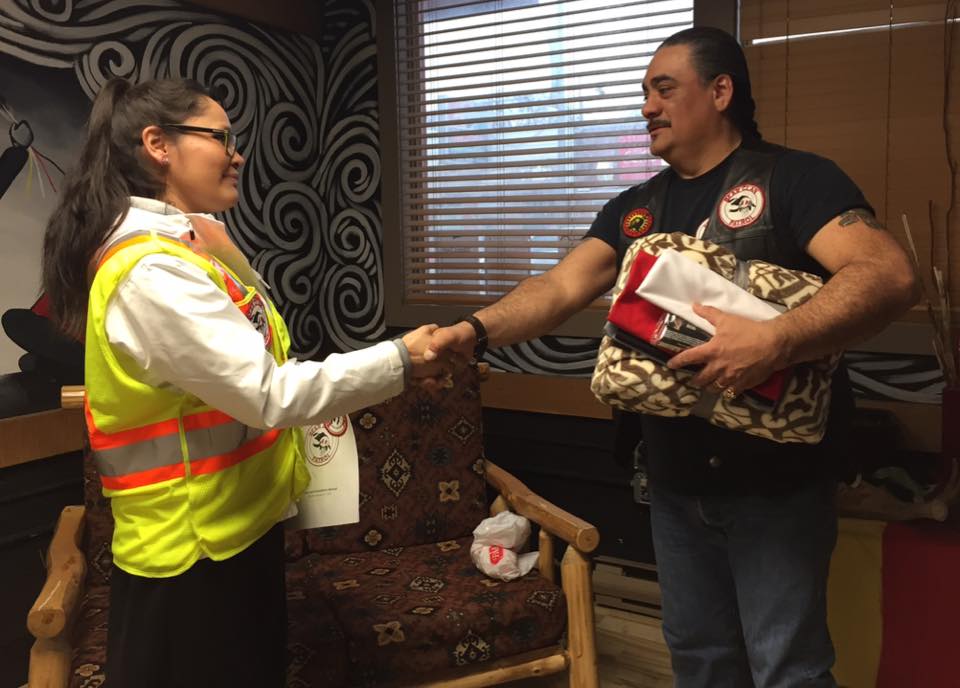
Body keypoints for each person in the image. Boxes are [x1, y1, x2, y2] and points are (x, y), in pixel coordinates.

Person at [425, 27, 918, 688]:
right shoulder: (635, 209)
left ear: (720, 92)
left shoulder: (796, 180)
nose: (646, 107)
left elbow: (886, 275)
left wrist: (777, 340)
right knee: (701, 664)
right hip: (674, 483)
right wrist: (472, 331)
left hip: (777, 487)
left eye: (663, 88)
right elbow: (559, 287)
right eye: (643, 93)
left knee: (788, 669)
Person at [41, 77, 443, 688]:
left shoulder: (187, 250)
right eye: (221, 137)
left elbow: (250, 352)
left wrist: (236, 262)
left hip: (234, 537)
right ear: (159, 145)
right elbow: (270, 393)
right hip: (191, 560)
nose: (237, 153)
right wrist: (402, 360)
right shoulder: (152, 273)